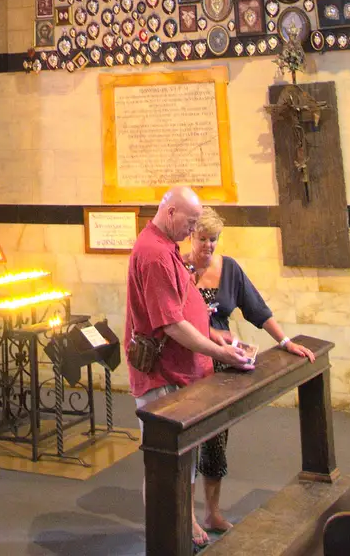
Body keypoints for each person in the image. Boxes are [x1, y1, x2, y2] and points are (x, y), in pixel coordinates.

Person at [125, 185, 254, 552]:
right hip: (161, 375)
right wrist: (220, 352)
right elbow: (170, 325)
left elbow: (185, 310)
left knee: (185, 459)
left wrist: (217, 336)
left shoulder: (166, 248)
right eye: (191, 223)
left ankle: (183, 521)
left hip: (181, 374)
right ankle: (168, 537)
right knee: (165, 463)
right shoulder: (153, 253)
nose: (193, 231)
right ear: (170, 214)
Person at [185, 208, 316, 534]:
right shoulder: (178, 267)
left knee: (216, 439)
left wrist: (285, 340)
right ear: (190, 236)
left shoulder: (229, 269)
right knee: (185, 444)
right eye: (202, 239)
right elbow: (175, 318)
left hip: (222, 365)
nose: (208, 247)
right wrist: (211, 334)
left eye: (213, 240)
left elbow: (257, 309)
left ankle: (212, 513)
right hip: (187, 364)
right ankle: (184, 518)